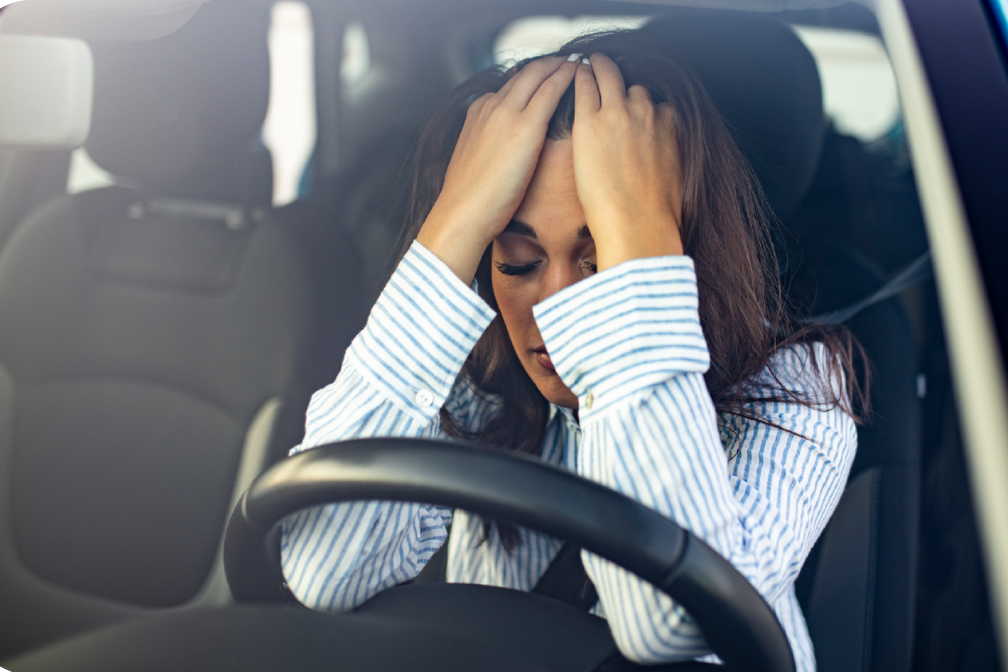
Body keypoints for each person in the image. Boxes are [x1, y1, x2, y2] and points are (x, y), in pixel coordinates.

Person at [280, 30, 862, 671]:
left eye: (599, 262)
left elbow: (666, 622)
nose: (553, 307)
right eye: (519, 261)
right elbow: (323, 570)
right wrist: (455, 222)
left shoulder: (800, 391)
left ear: (678, 252)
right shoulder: (482, 379)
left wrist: (636, 234)